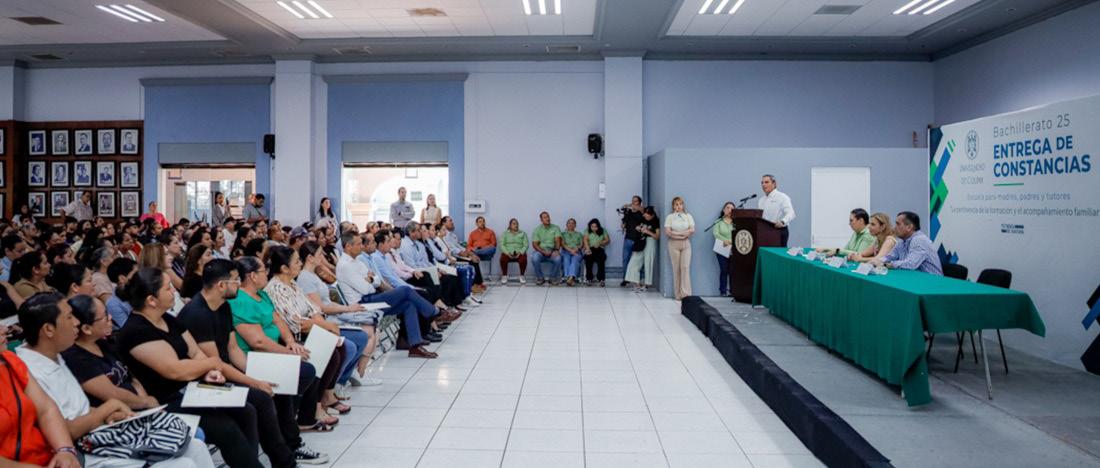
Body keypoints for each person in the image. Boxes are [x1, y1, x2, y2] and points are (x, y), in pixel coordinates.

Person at [16, 293, 215, 468]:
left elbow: (80, 408)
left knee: (195, 447)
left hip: (100, 428)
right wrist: (109, 408)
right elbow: (67, 429)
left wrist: (108, 413)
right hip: (85, 449)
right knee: (184, 464)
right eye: (69, 317)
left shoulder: (56, 354)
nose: (75, 322)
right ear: (48, 330)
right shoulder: (30, 370)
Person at [177, 259, 327, 465]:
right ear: (221, 285)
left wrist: (257, 374)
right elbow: (215, 363)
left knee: (282, 382)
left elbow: (233, 349)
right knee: (261, 398)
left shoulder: (222, 306)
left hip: (228, 368)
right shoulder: (197, 314)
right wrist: (254, 382)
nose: (239, 284)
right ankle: (281, 459)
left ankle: (290, 448)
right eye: (235, 280)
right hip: (209, 379)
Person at [116, 268, 267, 468]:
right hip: (165, 401)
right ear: (151, 300)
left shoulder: (167, 319)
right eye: (168, 288)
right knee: (225, 428)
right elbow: (175, 370)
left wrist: (211, 372)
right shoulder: (136, 331)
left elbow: (195, 353)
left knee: (247, 409)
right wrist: (212, 364)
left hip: (192, 389)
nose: (174, 291)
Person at [263, 246, 353, 418]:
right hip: (293, 337)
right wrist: (326, 326)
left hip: (310, 330)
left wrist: (324, 325)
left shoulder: (292, 284)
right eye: (297, 261)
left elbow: (313, 309)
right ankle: (313, 408)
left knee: (340, 347)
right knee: (329, 354)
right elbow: (297, 323)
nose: (300, 264)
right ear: (284, 268)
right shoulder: (275, 289)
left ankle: (326, 397)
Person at [336, 231, 442, 359]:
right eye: (358, 244)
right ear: (348, 246)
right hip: (362, 304)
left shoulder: (357, 262)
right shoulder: (345, 265)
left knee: (408, 304)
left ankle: (415, 346)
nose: (361, 246)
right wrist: (371, 281)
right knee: (405, 290)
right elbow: (365, 289)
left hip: (371, 298)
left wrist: (370, 280)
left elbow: (376, 280)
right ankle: (434, 312)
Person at [0, 324, 88, 468]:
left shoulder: (10, 361)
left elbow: (45, 409)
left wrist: (65, 450)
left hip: (49, 459)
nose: (4, 329)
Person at [62, 295, 159, 409]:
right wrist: (145, 402)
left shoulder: (101, 343)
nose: (110, 317)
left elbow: (132, 379)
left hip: (141, 407)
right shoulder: (75, 358)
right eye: (105, 315)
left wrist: (147, 404)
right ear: (87, 328)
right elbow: (112, 394)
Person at [869, 212, 943, 275]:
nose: (894, 227)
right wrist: (878, 261)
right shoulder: (901, 241)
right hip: (916, 279)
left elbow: (910, 264)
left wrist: (885, 265)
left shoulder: (919, 240)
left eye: (898, 224)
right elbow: (890, 257)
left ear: (909, 227)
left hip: (933, 282)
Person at [665, 197, 695, 300]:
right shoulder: (670, 217)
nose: (679, 206)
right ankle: (677, 295)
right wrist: (680, 235)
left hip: (686, 243)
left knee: (685, 268)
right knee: (676, 269)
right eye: (676, 204)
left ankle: (686, 294)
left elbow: (692, 230)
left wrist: (676, 233)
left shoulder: (688, 216)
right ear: (673, 206)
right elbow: (668, 232)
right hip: (673, 244)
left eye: (680, 204)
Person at [625, 206, 660, 292]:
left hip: (650, 241)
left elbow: (657, 236)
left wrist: (648, 232)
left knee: (648, 262)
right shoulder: (643, 219)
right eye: (644, 214)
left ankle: (646, 285)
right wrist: (639, 228)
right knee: (634, 261)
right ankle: (636, 284)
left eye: (647, 214)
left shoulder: (655, 221)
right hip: (641, 241)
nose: (645, 216)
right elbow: (638, 226)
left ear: (652, 215)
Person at [759, 174, 795, 247]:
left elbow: (791, 213)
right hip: (765, 232)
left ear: (774, 183)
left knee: (778, 253)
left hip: (779, 231)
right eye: (762, 183)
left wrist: (783, 221)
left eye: (766, 182)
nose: (763, 185)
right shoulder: (761, 200)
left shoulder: (782, 197)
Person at [530, 212, 563, 286]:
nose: (547, 218)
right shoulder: (537, 229)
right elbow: (535, 244)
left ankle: (552, 278)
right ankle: (540, 278)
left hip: (552, 250)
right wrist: (543, 251)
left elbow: (558, 241)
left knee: (558, 259)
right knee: (535, 258)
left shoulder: (555, 228)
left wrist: (556, 250)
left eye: (548, 217)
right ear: (541, 220)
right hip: (541, 251)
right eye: (545, 217)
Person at [711, 202, 735, 297]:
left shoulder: (736, 223)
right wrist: (725, 241)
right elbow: (716, 234)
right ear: (724, 210)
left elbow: (738, 234)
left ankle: (733, 291)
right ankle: (723, 291)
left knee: (733, 271)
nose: (729, 210)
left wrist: (730, 241)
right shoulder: (718, 222)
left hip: (733, 249)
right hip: (722, 249)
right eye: (727, 208)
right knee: (724, 270)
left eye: (731, 208)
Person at [105, 257, 137, 329]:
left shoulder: (140, 289)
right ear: (122, 278)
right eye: (135, 274)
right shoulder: (113, 304)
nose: (139, 275)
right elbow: (129, 328)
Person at [619, 195, 644, 287]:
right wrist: (623, 225)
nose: (633, 202)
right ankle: (625, 279)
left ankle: (638, 279)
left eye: (635, 201)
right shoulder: (628, 212)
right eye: (632, 201)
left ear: (639, 203)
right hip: (628, 238)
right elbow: (624, 222)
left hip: (638, 239)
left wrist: (630, 205)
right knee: (625, 259)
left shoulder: (642, 211)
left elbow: (642, 210)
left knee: (637, 260)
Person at [498, 218, 528, 285]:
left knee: (523, 259)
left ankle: (522, 275)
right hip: (508, 252)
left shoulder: (523, 233)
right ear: (510, 225)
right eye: (514, 224)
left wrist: (520, 252)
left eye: (517, 224)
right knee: (502, 259)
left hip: (519, 252)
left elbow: (526, 245)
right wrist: (507, 253)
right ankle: (504, 275)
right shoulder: (505, 234)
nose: (516, 225)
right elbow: (502, 245)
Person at [582, 218, 609, 287]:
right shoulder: (587, 230)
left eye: (595, 227)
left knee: (601, 259)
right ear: (590, 226)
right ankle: (589, 279)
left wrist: (600, 243)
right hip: (590, 248)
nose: (594, 228)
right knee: (588, 259)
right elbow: (585, 240)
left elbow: (607, 240)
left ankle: (601, 279)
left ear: (598, 226)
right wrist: (588, 249)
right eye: (592, 226)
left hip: (599, 248)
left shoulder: (603, 230)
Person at [560, 219, 584, 287]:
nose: (571, 224)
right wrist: (571, 251)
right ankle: (570, 278)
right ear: (566, 225)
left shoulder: (579, 234)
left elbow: (581, 244)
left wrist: (576, 249)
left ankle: (570, 278)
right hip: (566, 251)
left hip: (577, 251)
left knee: (575, 260)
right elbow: (563, 244)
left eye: (573, 223)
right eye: (569, 223)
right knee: (566, 259)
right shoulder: (563, 234)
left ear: (575, 225)